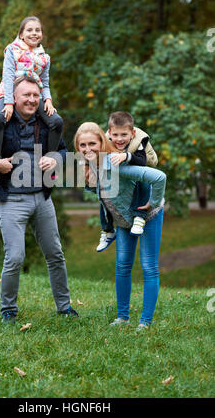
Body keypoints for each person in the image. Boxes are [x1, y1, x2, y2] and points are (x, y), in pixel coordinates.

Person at [0, 76, 78, 324]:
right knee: (14, 257)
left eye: (35, 95)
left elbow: (62, 150)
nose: (31, 100)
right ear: (13, 98)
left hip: (42, 199)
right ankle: (8, 310)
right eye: (26, 95)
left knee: (55, 254)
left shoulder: (46, 121)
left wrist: (55, 160)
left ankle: (64, 307)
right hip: (11, 200)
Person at [74, 122, 166, 330]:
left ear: (102, 142)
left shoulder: (117, 164)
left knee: (148, 266)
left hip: (147, 214)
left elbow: (160, 177)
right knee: (123, 265)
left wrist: (152, 202)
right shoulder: (90, 166)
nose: (88, 149)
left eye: (92, 144)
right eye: (83, 146)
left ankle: (145, 322)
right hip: (124, 218)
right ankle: (123, 317)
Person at [0, 16, 63, 184]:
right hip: (9, 93)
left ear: (42, 34)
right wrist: (8, 102)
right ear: (21, 34)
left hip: (33, 96)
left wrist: (48, 100)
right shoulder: (12, 50)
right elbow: (7, 77)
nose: (34, 33)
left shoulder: (44, 57)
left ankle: (50, 164)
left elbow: (45, 82)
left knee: (56, 121)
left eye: (37, 30)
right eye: (29, 30)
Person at [96, 111, 158, 252]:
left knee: (142, 181)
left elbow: (142, 162)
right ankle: (107, 230)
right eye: (116, 135)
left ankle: (139, 216)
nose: (119, 139)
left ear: (132, 133)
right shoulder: (105, 141)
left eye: (124, 135)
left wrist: (126, 156)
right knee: (103, 193)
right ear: (110, 133)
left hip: (143, 169)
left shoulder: (140, 140)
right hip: (123, 179)